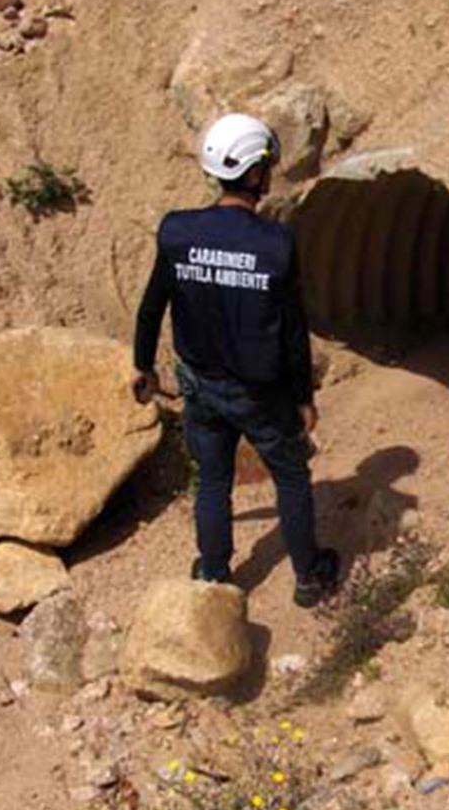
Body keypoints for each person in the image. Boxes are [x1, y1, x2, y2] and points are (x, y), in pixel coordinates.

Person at [132, 113, 340, 607]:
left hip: (200, 385)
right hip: (260, 394)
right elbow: (292, 332)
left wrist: (144, 364)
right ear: (252, 174)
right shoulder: (275, 245)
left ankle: (214, 573)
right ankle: (309, 578)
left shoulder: (177, 232)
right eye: (266, 164)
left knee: (213, 479)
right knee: (290, 475)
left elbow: (151, 304)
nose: (269, 173)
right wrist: (303, 398)